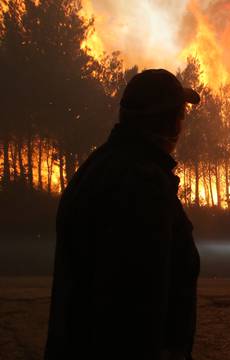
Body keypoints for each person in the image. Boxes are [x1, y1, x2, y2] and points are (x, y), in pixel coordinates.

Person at [45, 69, 201, 360]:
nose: (182, 126)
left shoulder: (97, 167)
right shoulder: (142, 183)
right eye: (180, 116)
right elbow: (138, 296)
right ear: (166, 122)